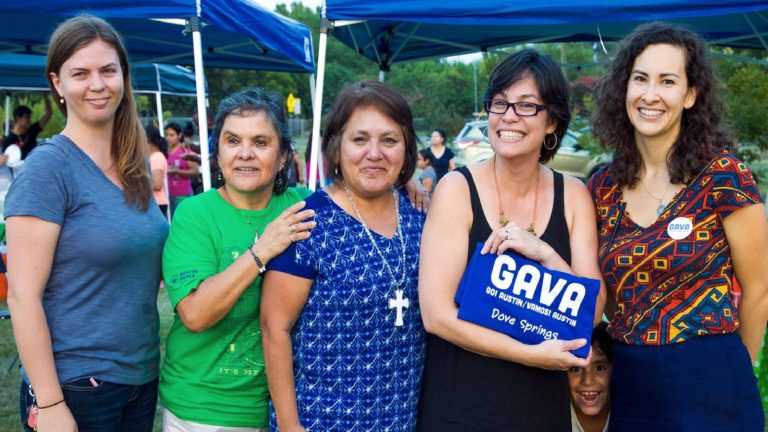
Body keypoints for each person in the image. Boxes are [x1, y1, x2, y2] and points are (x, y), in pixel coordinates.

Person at [589, 22, 767, 432]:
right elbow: (605, 292)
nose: (650, 95)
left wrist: (735, 367)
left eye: (667, 81)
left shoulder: (723, 176)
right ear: (624, 88)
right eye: (640, 79)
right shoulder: (602, 188)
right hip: (633, 380)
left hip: (714, 382)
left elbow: (758, 290)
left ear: (690, 95)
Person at [417, 49, 604, 431]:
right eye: (499, 103)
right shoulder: (456, 189)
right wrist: (530, 354)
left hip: (539, 409)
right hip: (461, 406)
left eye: (526, 105)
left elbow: (594, 310)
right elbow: (436, 315)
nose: (508, 116)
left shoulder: (574, 196)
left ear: (552, 121)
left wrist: (546, 253)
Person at [5, 15, 168, 432]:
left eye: (108, 70)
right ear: (58, 83)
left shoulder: (134, 168)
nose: (97, 84)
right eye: (81, 73)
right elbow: (23, 297)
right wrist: (51, 401)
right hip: (76, 386)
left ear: (123, 77)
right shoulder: (48, 169)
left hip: (139, 378)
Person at [261, 80, 426, 431]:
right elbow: (274, 327)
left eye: (390, 140)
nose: (375, 153)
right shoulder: (307, 224)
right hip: (321, 419)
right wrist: (290, 426)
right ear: (335, 148)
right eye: (360, 139)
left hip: (400, 418)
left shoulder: (421, 215)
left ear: (407, 148)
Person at [159, 87, 316, 431]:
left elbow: (359, 202)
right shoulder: (196, 215)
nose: (245, 154)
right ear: (216, 154)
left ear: (284, 156)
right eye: (232, 141)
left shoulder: (304, 207)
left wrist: (408, 187)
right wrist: (262, 250)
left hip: (284, 406)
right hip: (206, 409)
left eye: (260, 143)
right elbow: (195, 314)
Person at [568, 322, 612, 432]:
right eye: (576, 369)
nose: (587, 381)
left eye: (600, 368)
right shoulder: (548, 417)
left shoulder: (631, 417)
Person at [2, 94, 53, 160]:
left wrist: (45, 95)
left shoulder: (32, 130)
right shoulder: (8, 140)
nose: (30, 120)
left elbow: (48, 113)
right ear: (18, 119)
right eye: (27, 118)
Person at [166, 122, 198, 215]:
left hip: (182, 194)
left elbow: (195, 171)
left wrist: (177, 171)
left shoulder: (185, 151)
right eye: (167, 135)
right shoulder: (167, 151)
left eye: (172, 135)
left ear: (179, 135)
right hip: (170, 194)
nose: (168, 138)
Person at [146, 125, 169, 216]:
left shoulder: (156, 157)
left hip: (157, 203)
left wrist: (137, 184)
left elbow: (157, 184)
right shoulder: (154, 156)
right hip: (155, 203)